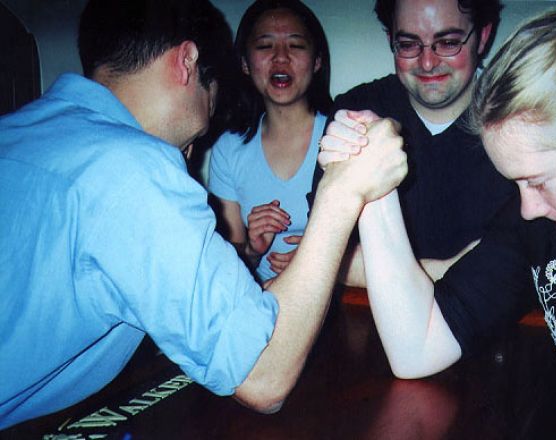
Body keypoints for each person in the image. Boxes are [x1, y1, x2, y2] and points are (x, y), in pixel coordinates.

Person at [0, 0, 408, 429]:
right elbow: (263, 375)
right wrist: (342, 191)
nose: (201, 135)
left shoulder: (15, 128)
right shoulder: (134, 168)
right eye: (211, 93)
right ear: (188, 61)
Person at [323, 3, 556, 436]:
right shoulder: (542, 228)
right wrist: (373, 187)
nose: (526, 208)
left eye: (538, 181)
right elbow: (416, 348)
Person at [313, 0, 515, 286]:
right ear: (390, 41)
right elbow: (326, 252)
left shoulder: (518, 118)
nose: (428, 63)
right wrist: (444, 269)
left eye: (447, 42)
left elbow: (517, 267)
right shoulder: (356, 110)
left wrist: (371, 267)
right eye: (408, 44)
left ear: (482, 37)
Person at [208, 0, 331, 284]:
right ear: (244, 63)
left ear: (317, 61)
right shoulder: (228, 149)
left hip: (332, 302)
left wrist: (325, 260)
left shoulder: (343, 137)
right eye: (264, 45)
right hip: (257, 300)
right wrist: (252, 250)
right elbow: (230, 259)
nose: (280, 57)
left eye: (296, 45)